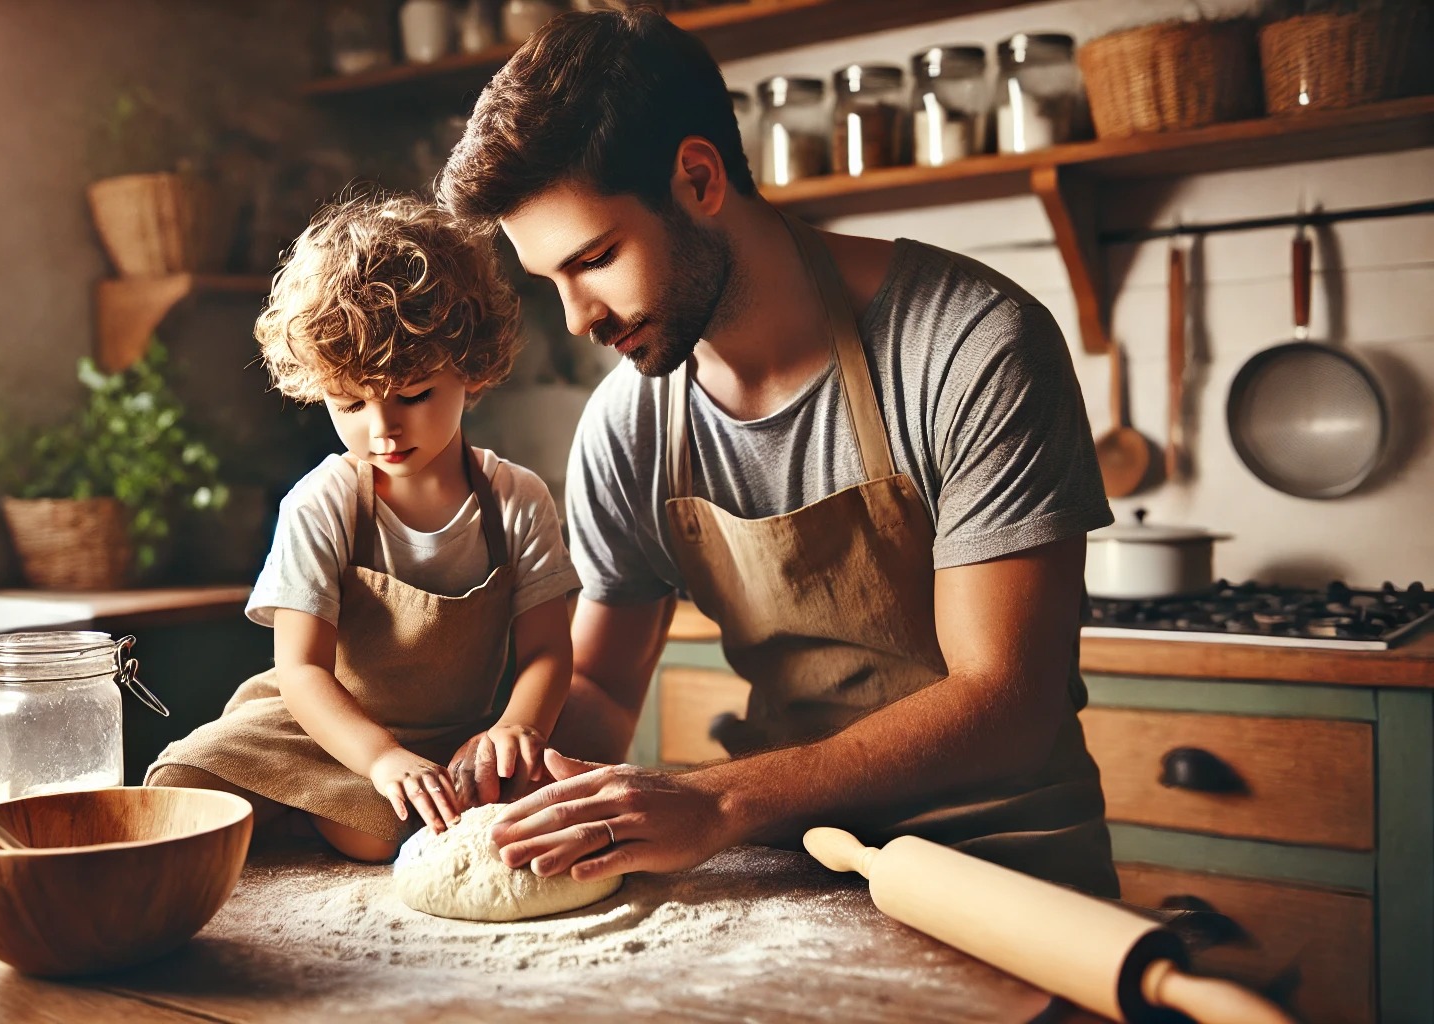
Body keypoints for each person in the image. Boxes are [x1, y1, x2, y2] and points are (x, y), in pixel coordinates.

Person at [435, 8, 1119, 895]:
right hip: (791, 864)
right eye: (551, 282)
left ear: (698, 178)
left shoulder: (971, 344)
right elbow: (602, 689)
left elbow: (1007, 702)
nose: (578, 318)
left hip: (1010, 872)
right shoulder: (630, 424)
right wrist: (508, 758)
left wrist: (717, 804)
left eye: (595, 259)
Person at [145, 193, 580, 862]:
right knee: (182, 786)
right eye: (349, 403)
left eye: (412, 396)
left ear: (471, 369)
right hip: (316, 727)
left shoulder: (517, 501)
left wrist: (515, 728)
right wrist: (379, 758)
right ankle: (309, 805)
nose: (382, 430)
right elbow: (301, 673)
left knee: (390, 830)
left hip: (449, 740)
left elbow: (548, 651)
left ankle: (309, 817)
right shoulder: (324, 503)